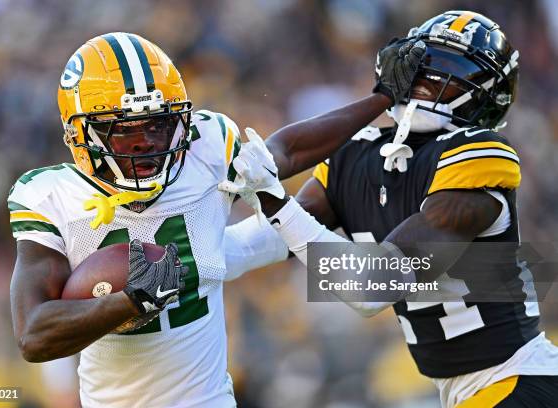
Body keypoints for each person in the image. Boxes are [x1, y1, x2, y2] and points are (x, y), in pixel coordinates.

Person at [8, 32, 421, 407]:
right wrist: (130, 301)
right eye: (127, 132)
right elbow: (34, 334)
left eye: (159, 125)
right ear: (82, 135)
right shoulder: (50, 196)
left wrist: (382, 100)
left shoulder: (204, 149)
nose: (148, 144)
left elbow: (286, 152)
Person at [222, 11, 558, 408]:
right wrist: (186, 262)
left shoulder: (477, 158)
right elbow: (257, 243)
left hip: (515, 380)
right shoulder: (358, 155)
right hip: (463, 390)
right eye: (422, 65)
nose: (428, 79)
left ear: (485, 93)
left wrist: (274, 201)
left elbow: (371, 288)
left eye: (448, 70)